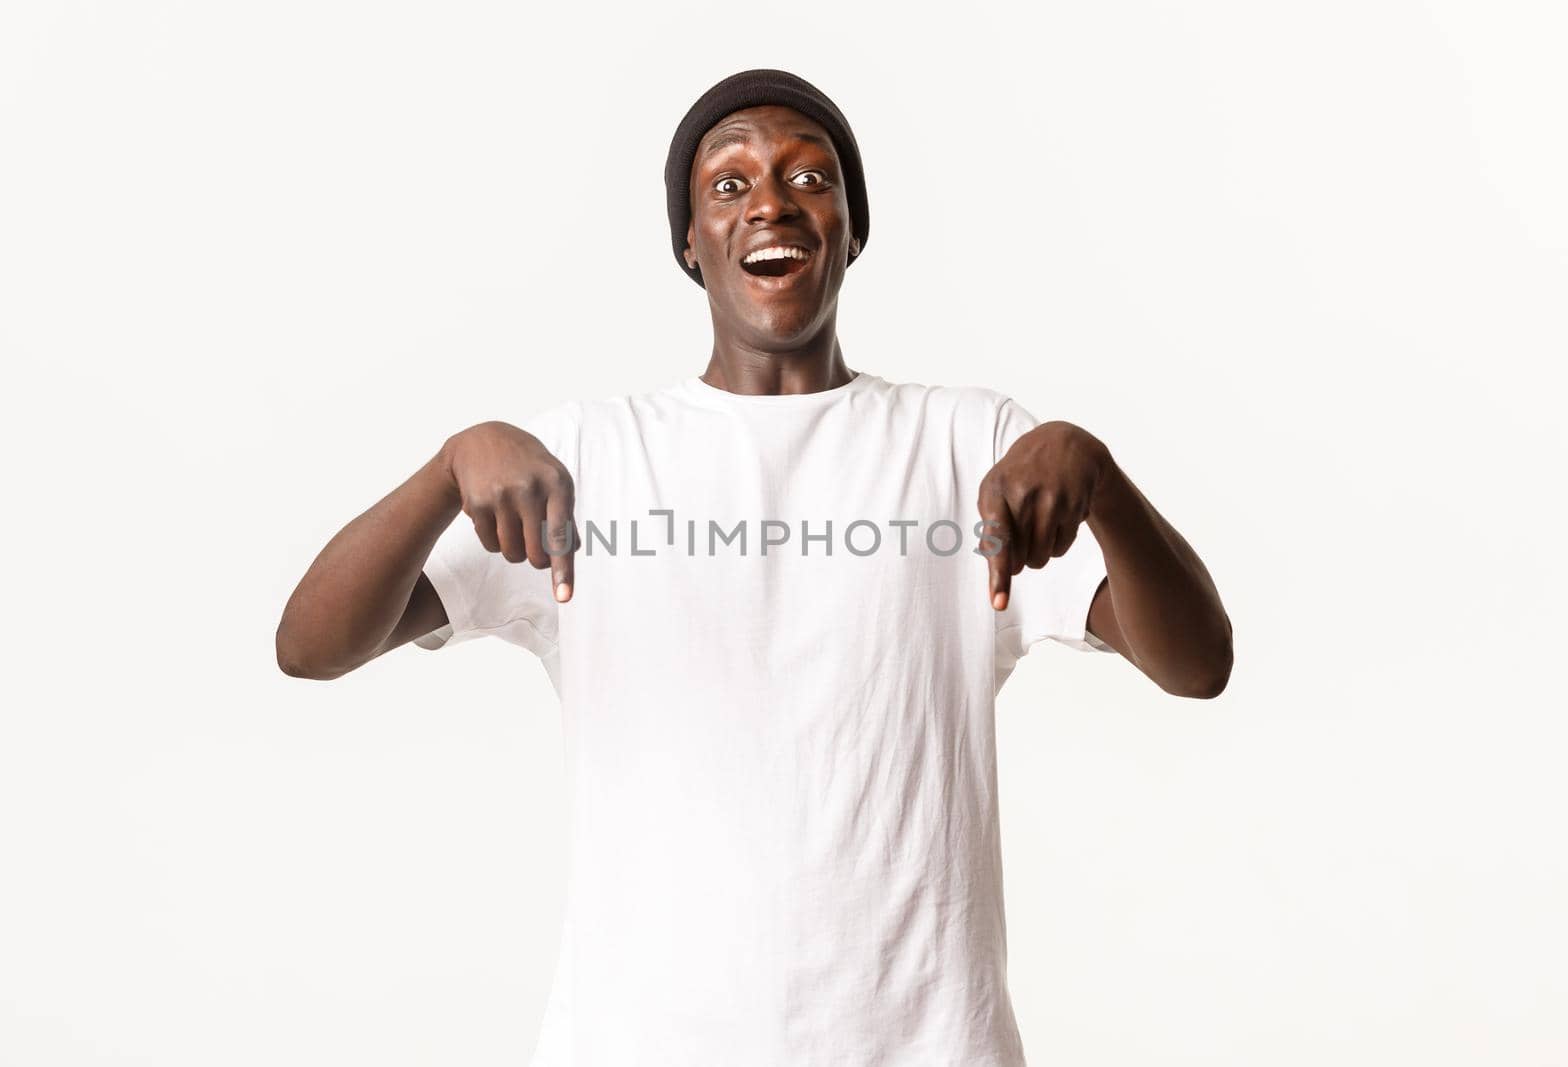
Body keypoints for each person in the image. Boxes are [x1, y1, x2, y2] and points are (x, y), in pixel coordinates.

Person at [276, 68, 1232, 1067]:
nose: (770, 201)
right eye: (727, 185)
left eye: (809, 178)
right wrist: (447, 466)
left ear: (852, 230)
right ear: (688, 242)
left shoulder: (966, 443)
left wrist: (1103, 476)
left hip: (925, 1044)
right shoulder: (587, 460)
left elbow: (1197, 663)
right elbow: (309, 646)